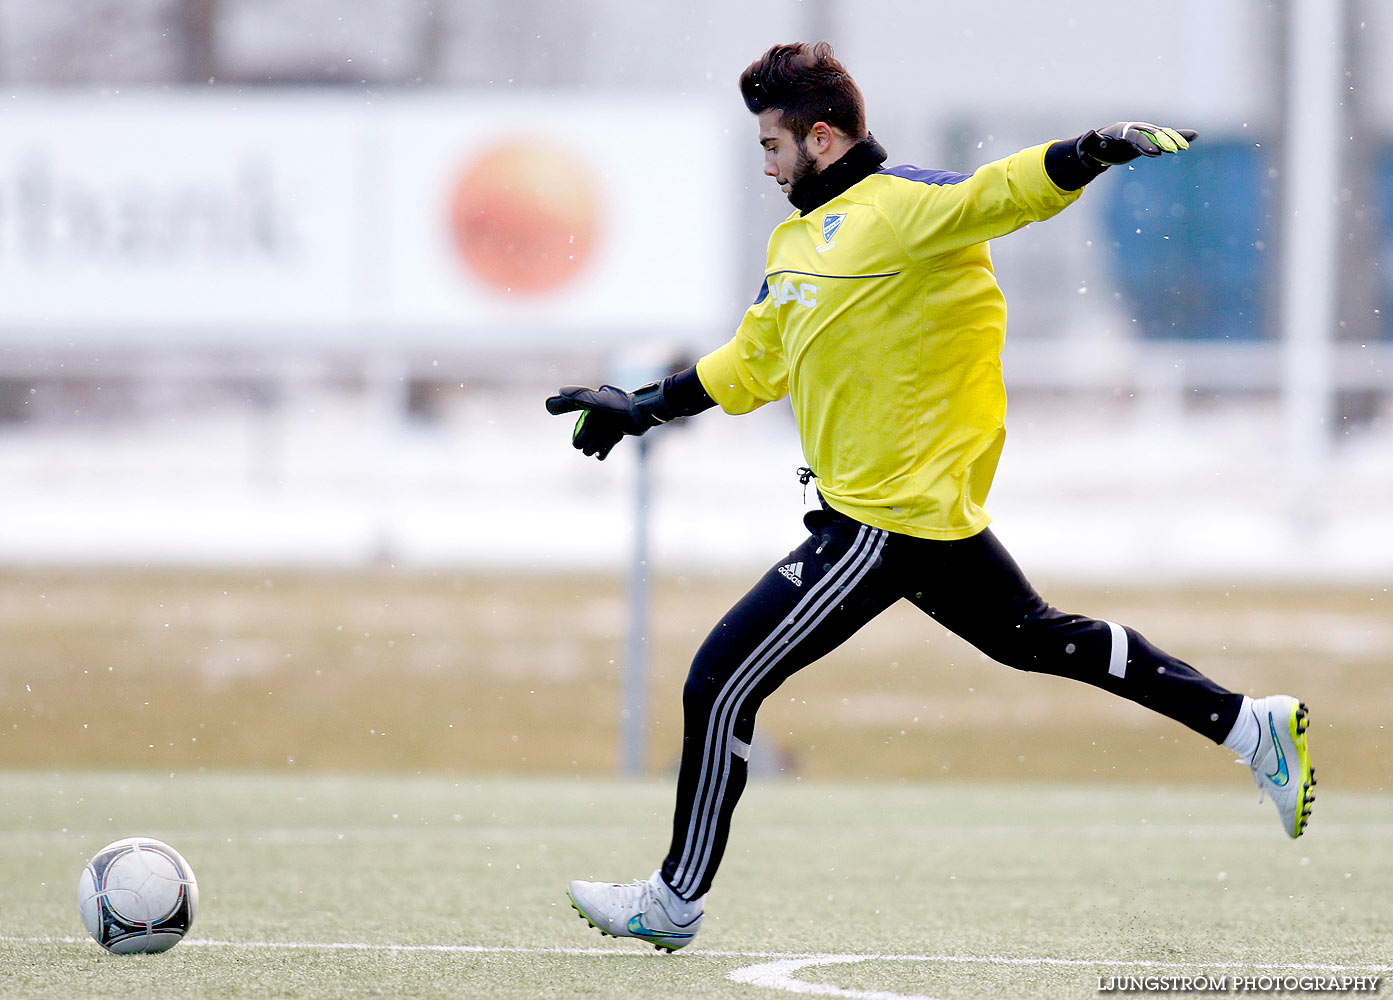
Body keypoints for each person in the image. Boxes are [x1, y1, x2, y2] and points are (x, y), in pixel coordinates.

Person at [549, 41, 1315, 953]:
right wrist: (642, 408)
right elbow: (754, 361)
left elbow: (1001, 191)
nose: (765, 165)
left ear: (821, 139)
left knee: (718, 683)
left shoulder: (907, 208)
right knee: (1040, 639)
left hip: (879, 523)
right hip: (917, 521)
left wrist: (1094, 148)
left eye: (772, 146)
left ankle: (673, 901)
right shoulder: (794, 243)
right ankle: (1248, 725)